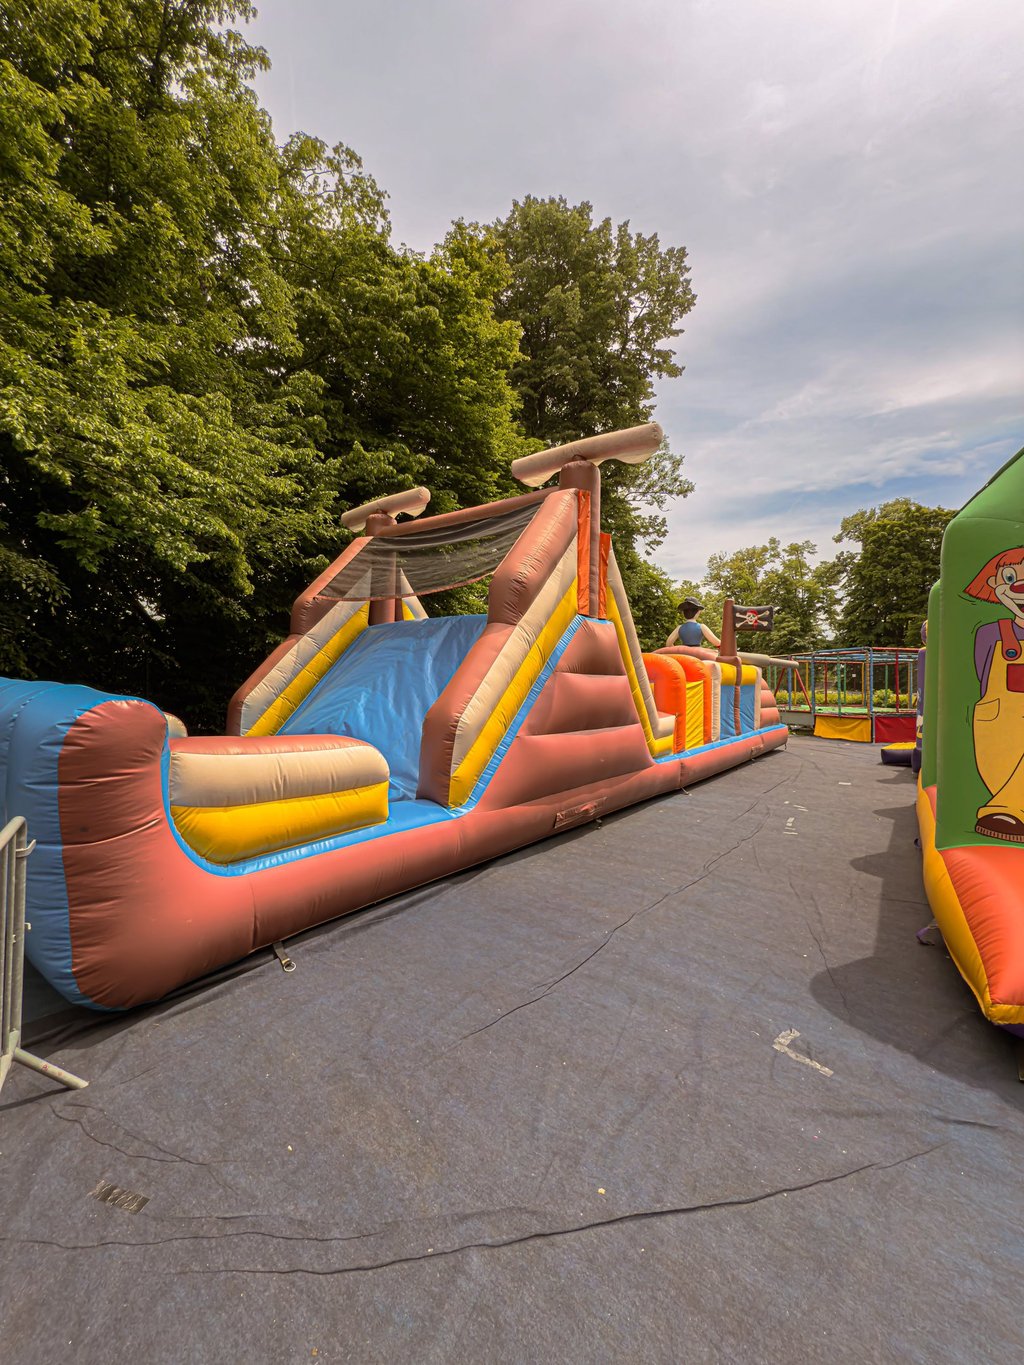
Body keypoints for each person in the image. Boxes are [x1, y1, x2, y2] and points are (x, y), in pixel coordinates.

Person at [964, 547, 1024, 842]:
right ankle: (1006, 807)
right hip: (1000, 719)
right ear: (993, 585)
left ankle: (1006, 810)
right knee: (1003, 768)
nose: (1019, 587)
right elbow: (983, 673)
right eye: (1010, 578)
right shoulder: (991, 634)